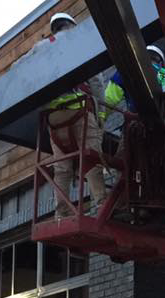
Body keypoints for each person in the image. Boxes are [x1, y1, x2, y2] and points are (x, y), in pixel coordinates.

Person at [40, 13, 107, 218]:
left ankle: (62, 214)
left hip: (53, 121)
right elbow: (96, 83)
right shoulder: (79, 45)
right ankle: (102, 205)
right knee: (92, 158)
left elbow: (17, 69)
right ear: (71, 26)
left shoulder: (41, 48)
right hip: (79, 112)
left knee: (62, 169)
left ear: (55, 28)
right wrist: (101, 114)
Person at [104, 44, 165, 117]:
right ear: (162, 63)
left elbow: (110, 98)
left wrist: (101, 117)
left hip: (139, 120)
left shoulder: (129, 70)